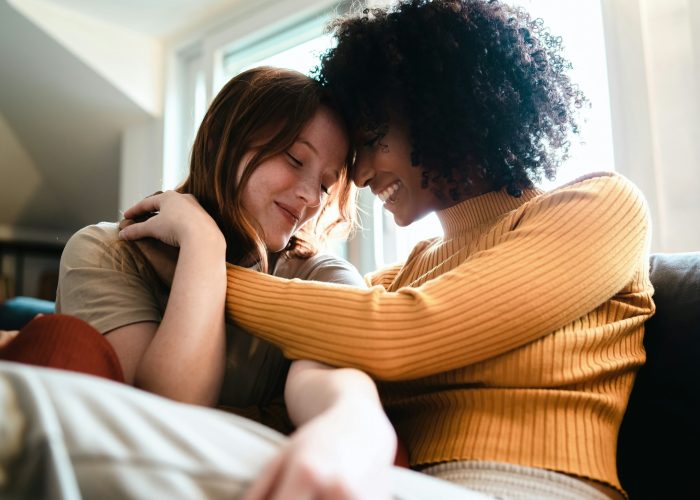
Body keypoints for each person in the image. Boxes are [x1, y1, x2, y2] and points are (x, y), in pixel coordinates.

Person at [122, 1, 654, 499]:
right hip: (392, 482)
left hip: (524, 483)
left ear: (443, 113)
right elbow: (329, 334)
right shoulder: (409, 271)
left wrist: (201, 259)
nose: (356, 174)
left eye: (374, 137)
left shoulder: (600, 205)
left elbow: (399, 332)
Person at [49, 66, 397, 497]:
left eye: (325, 186)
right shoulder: (107, 251)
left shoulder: (318, 275)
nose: (310, 196)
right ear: (221, 142)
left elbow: (336, 383)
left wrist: (352, 424)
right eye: (293, 159)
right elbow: (167, 412)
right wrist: (203, 246)